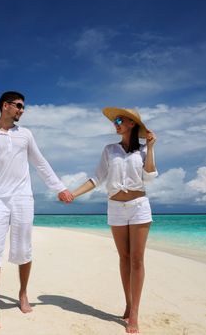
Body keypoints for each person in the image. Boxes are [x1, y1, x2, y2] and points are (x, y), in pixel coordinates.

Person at [0, 91, 73, 329]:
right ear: (5, 106)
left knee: (23, 249)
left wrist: (59, 187)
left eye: (23, 107)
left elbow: (40, 162)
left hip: (23, 198)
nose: (22, 110)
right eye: (18, 106)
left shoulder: (25, 134)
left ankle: (23, 294)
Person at [71, 107, 157, 334]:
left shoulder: (142, 153)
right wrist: (73, 193)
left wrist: (150, 147)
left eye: (120, 120)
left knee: (137, 260)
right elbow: (96, 178)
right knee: (124, 258)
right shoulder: (110, 150)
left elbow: (150, 176)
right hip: (115, 207)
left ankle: (135, 313)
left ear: (131, 123)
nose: (115, 123)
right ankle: (128, 303)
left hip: (139, 206)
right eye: (115, 120)